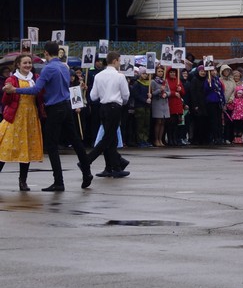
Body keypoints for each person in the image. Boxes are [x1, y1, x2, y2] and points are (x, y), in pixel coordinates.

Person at [4, 41, 93, 191]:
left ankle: (59, 181)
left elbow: (36, 90)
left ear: (46, 53)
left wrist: (15, 90)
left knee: (51, 145)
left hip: (55, 108)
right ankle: (87, 172)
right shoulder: (65, 67)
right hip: (66, 105)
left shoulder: (48, 69)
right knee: (76, 141)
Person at [0, 54, 45, 191]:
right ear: (18, 65)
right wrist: (7, 93)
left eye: (29, 63)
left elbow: (41, 96)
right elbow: (5, 102)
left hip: (31, 117)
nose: (28, 65)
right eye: (25, 63)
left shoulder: (36, 79)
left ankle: (23, 181)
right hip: (15, 117)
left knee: (27, 151)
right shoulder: (12, 79)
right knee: (4, 149)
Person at [83, 51, 130, 179]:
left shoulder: (98, 76)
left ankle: (113, 167)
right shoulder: (120, 76)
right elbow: (126, 95)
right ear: (115, 61)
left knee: (112, 138)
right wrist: (121, 101)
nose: (120, 64)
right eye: (119, 61)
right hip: (115, 107)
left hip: (102, 107)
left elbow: (93, 96)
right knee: (108, 138)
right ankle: (86, 160)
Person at [131, 68, 153, 147]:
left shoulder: (148, 83)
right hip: (140, 106)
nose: (145, 75)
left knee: (146, 124)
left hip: (147, 106)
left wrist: (151, 95)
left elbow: (150, 94)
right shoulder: (137, 83)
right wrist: (144, 100)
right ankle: (140, 140)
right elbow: (135, 95)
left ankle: (145, 139)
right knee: (140, 124)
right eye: (143, 74)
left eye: (146, 74)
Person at [150, 65, 170, 147]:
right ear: (156, 72)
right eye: (159, 71)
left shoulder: (165, 81)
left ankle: (161, 139)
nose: (161, 73)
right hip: (157, 103)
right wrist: (160, 90)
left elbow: (169, 91)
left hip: (164, 103)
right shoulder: (153, 81)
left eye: (162, 71)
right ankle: (156, 139)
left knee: (163, 122)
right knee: (158, 121)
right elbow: (152, 93)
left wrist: (166, 93)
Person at [166, 69, 185, 146]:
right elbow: (166, 91)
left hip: (178, 104)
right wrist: (174, 93)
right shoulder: (166, 81)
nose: (173, 74)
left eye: (174, 72)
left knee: (177, 123)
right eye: (171, 72)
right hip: (170, 103)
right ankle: (170, 138)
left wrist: (180, 89)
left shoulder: (178, 81)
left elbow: (183, 92)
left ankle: (175, 138)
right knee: (170, 122)